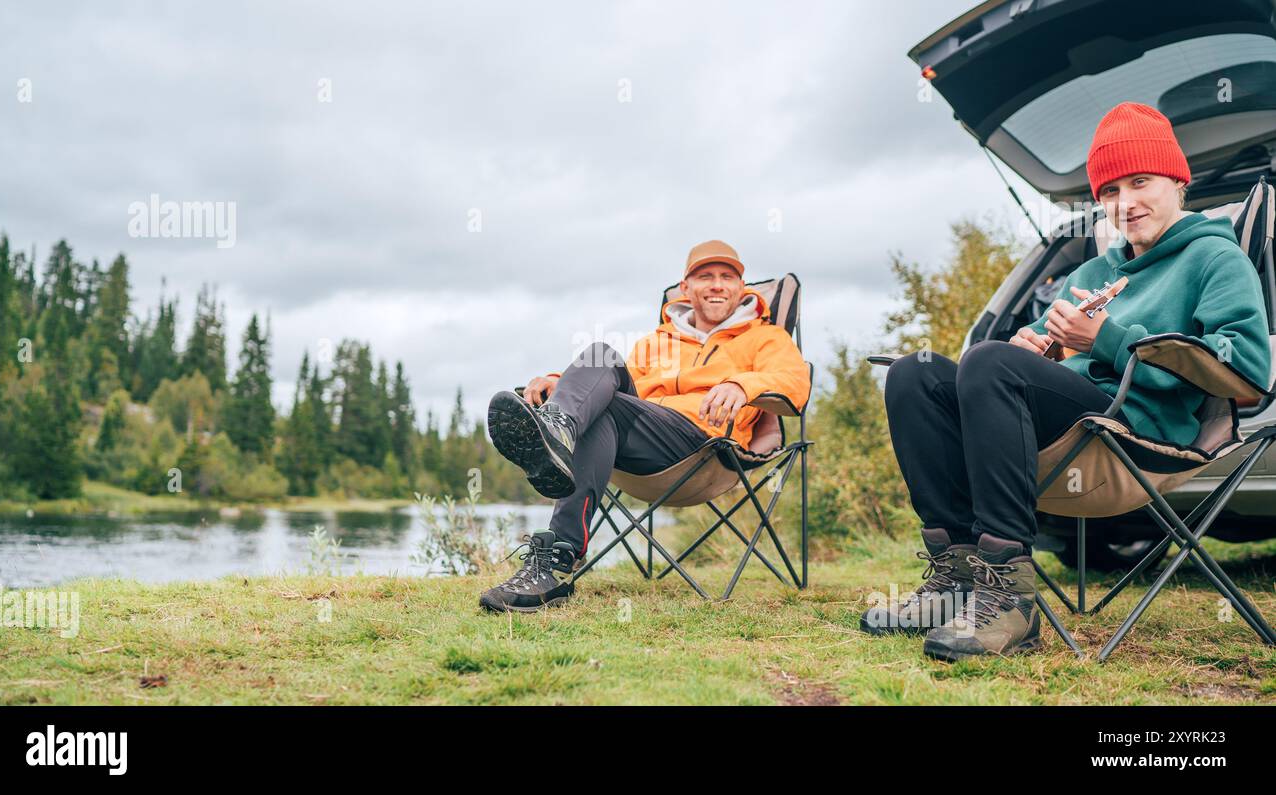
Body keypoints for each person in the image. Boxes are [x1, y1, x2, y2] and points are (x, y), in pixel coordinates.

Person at [866, 102, 1271, 660]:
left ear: (1179, 181)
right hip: (1067, 430)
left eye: (1140, 181)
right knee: (917, 371)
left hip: (1136, 434)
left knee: (986, 362)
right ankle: (955, 578)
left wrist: (1104, 338)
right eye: (1109, 192)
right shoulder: (1093, 273)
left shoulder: (1214, 260)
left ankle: (1009, 599)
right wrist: (1038, 346)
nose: (1124, 204)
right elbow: (1030, 347)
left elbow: (1247, 371)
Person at [478, 240, 811, 612]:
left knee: (605, 408)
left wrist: (741, 384)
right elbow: (614, 379)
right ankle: (559, 440)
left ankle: (555, 529)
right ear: (686, 288)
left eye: (727, 277)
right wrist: (561, 382)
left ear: (741, 287)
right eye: (705, 276)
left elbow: (795, 384)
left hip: (705, 445)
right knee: (602, 359)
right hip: (642, 439)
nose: (717, 284)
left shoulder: (766, 337)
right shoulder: (658, 341)